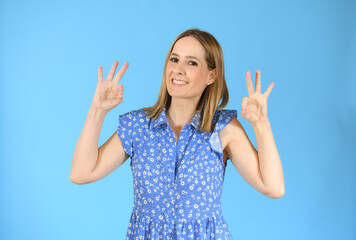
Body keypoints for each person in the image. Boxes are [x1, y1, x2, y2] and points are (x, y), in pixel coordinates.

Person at [70, 28, 285, 239]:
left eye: (192, 62)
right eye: (174, 59)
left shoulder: (223, 128)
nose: (178, 70)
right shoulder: (139, 126)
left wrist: (261, 125)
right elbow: (81, 173)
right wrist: (97, 110)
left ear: (212, 75)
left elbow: (273, 187)